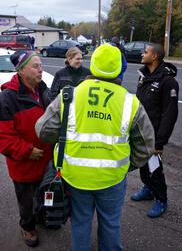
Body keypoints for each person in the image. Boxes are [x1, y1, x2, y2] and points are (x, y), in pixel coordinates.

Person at [35, 43, 155, 251]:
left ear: (93, 66)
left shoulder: (69, 95)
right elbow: (146, 146)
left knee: (80, 223)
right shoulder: (130, 102)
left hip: (75, 176)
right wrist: (125, 166)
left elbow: (43, 130)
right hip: (112, 178)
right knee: (110, 223)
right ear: (118, 69)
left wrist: (65, 140)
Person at [0, 51, 53, 247]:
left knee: (44, 192)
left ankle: (41, 216)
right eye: (35, 66)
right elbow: (4, 137)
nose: (41, 69)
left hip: (45, 160)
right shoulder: (7, 98)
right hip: (24, 164)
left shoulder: (43, 90)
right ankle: (27, 226)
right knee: (26, 201)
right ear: (21, 70)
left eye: (41, 65)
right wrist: (27, 151)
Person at [131, 43, 179, 218]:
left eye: (146, 52)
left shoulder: (168, 81)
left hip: (155, 136)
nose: (142, 54)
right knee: (143, 165)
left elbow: (170, 114)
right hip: (141, 132)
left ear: (155, 57)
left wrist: (160, 141)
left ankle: (161, 199)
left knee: (155, 169)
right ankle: (148, 189)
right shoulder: (143, 76)